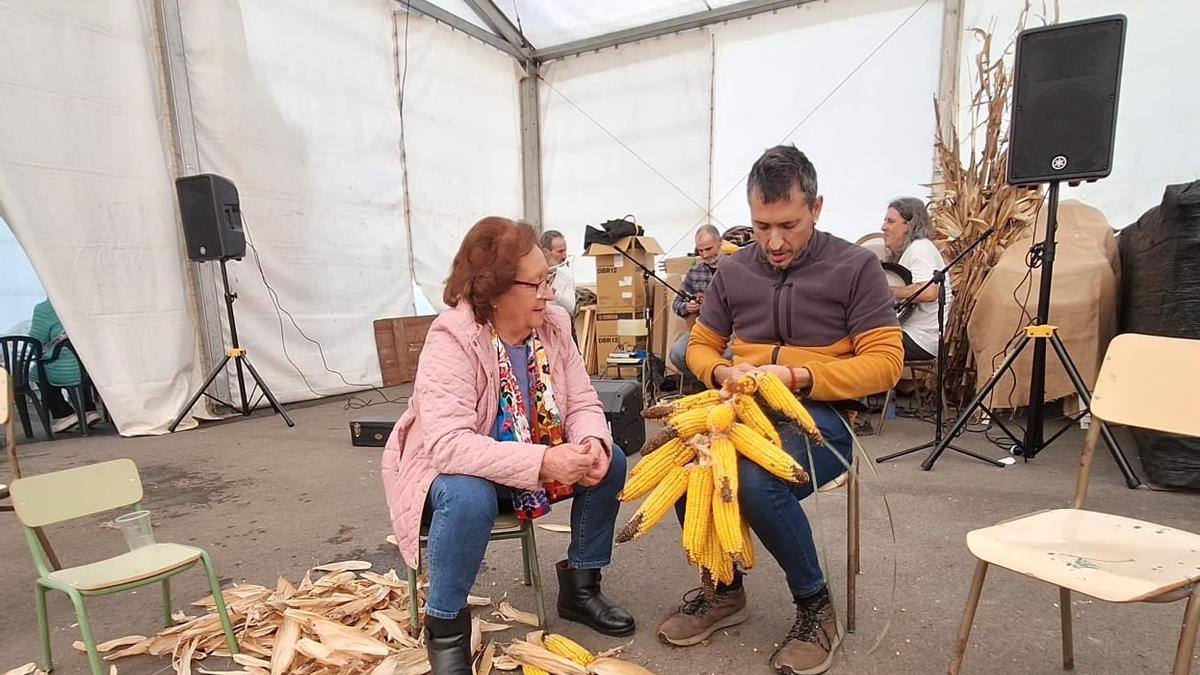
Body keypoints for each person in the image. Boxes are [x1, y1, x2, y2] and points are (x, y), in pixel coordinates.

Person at [659, 145, 903, 675]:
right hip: (742, 406)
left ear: (816, 208)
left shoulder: (855, 266)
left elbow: (886, 364)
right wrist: (722, 373)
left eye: (788, 225)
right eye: (761, 226)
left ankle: (816, 608)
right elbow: (699, 347)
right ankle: (724, 590)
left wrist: (799, 377)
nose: (773, 242)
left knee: (753, 481)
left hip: (825, 418)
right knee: (686, 467)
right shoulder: (733, 270)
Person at [380, 217, 634, 674]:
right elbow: (449, 446)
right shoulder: (452, 337)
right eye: (537, 284)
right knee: (468, 495)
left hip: (532, 460)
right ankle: (446, 629)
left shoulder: (554, 325)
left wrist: (590, 441)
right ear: (493, 291)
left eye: (549, 279)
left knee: (610, 459)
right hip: (454, 474)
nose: (549, 294)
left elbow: (582, 401)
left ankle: (581, 587)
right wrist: (545, 460)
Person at [881, 197, 951, 362]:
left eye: (890, 221)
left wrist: (886, 292)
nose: (883, 227)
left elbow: (929, 292)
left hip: (920, 338)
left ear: (910, 225)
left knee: (856, 346)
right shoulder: (913, 249)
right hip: (911, 334)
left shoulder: (920, 248)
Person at [28, 299, 98, 433]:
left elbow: (36, 341)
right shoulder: (84, 300)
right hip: (94, 364)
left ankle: (63, 413)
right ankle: (88, 409)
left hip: (67, 365)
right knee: (78, 362)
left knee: (37, 372)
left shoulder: (45, 308)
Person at [668, 225, 724, 386]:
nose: (705, 255)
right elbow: (677, 304)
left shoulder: (735, 267)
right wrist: (687, 307)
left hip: (731, 330)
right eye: (700, 250)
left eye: (708, 249)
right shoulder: (694, 273)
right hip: (701, 330)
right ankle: (703, 386)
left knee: (726, 355)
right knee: (677, 354)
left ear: (720, 243)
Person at [539, 229, 575, 316]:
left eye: (565, 251)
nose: (564, 256)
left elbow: (571, 308)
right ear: (545, 252)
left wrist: (554, 293)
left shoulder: (566, 279)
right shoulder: (530, 276)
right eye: (560, 252)